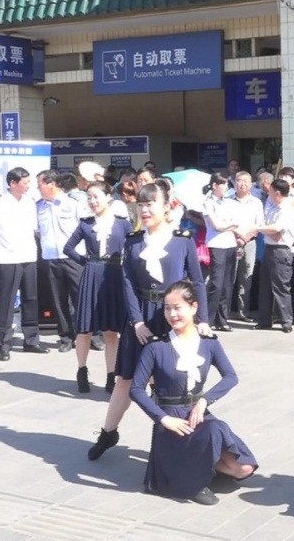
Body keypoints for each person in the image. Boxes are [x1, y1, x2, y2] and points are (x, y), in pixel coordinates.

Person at [87, 182, 210, 461]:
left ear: (166, 207)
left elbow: (197, 282)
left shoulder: (182, 240)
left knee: (174, 383)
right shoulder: (132, 241)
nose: (144, 210)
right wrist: (137, 322)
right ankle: (108, 433)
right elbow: (128, 284)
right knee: (126, 379)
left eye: (150, 204)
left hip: (173, 316)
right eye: (140, 205)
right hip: (141, 315)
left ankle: (178, 443)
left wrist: (202, 319)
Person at [128, 280, 257, 505]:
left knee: (243, 468)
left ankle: (200, 469)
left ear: (194, 307)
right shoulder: (155, 346)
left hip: (198, 413)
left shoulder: (208, 343)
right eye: (167, 308)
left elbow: (230, 376)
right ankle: (192, 477)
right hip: (171, 419)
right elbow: (136, 389)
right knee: (216, 429)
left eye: (178, 308)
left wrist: (204, 401)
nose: (172, 314)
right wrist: (163, 419)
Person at [62, 182, 132, 394]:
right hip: (92, 274)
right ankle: (82, 370)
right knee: (85, 329)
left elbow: (133, 248)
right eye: (89, 197)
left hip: (114, 275)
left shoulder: (123, 224)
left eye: (96, 197)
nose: (92, 201)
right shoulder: (85, 224)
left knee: (111, 331)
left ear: (109, 197)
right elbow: (68, 248)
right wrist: (86, 262)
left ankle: (111, 376)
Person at [0, 167, 47, 361]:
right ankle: (2, 344)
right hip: (7, 260)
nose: (28, 186)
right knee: (6, 301)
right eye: (24, 183)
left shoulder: (30, 202)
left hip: (29, 257)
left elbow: (34, 230)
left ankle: (31, 340)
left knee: (31, 299)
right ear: (12, 183)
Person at [37, 170, 85, 354]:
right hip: (51, 258)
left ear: (51, 184)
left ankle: (89, 335)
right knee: (58, 300)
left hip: (73, 258)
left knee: (81, 298)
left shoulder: (73, 204)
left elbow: (85, 229)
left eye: (40, 184)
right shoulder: (39, 206)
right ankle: (66, 337)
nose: (38, 188)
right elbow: (37, 231)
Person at [254, 179, 294, 334]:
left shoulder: (287, 209)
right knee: (265, 286)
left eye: (271, 191)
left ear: (277, 193)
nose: (269, 194)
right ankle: (265, 320)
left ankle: (286, 321)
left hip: (281, 250)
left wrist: (260, 228)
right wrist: (266, 229)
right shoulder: (272, 206)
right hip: (268, 248)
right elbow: (270, 229)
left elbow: (277, 230)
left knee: (281, 287)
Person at [202, 172, 238, 332]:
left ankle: (223, 319)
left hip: (230, 243)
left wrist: (229, 224)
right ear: (214, 185)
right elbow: (216, 225)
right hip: (216, 244)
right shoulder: (208, 202)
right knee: (216, 283)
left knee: (227, 284)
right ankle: (208, 319)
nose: (226, 187)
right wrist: (230, 224)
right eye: (223, 184)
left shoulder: (228, 202)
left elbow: (235, 221)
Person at [229, 171, 263, 322]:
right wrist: (238, 236)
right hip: (231, 241)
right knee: (229, 277)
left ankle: (243, 312)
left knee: (246, 278)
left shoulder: (256, 202)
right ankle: (225, 312)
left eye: (245, 181)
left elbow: (259, 225)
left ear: (250, 184)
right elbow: (226, 222)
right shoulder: (228, 201)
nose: (241, 184)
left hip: (249, 243)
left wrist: (245, 238)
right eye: (238, 180)